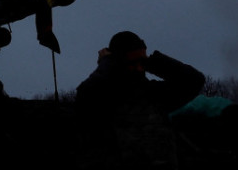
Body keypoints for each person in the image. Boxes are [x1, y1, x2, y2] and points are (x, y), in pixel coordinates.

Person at [75, 31, 205, 169]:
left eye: (142, 62)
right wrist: (107, 62)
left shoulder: (154, 94)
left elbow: (194, 80)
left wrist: (153, 62)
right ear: (117, 63)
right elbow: (87, 92)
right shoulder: (101, 98)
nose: (139, 68)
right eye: (132, 63)